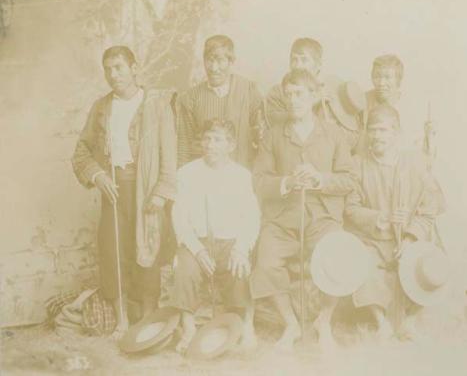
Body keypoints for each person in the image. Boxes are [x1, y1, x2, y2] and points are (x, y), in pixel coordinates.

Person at [72, 46, 177, 338]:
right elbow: (81, 152)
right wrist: (99, 175)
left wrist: (160, 193)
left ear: (135, 67)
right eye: (108, 69)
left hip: (147, 189)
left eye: (119, 67)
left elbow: (169, 154)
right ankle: (122, 319)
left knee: (147, 248)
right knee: (113, 250)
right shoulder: (102, 107)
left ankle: (147, 316)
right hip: (115, 189)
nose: (113, 74)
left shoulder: (157, 105)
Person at [250, 69, 355, 350]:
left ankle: (324, 321)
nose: (293, 100)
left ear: (314, 96)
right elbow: (258, 180)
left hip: (322, 217)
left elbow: (350, 179)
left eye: (300, 94)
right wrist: (286, 182)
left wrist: (321, 179)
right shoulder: (273, 135)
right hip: (282, 219)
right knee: (265, 261)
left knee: (338, 254)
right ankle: (291, 324)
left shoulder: (333, 134)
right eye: (289, 94)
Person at [345, 105, 445, 340]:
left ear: (396, 132)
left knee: (431, 265)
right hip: (373, 239)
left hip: (408, 240)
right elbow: (350, 208)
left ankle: (409, 322)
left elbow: (428, 209)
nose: (377, 136)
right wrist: (381, 217)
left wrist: (410, 238)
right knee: (361, 264)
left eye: (383, 130)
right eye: (372, 130)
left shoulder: (415, 163)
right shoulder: (357, 164)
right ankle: (381, 323)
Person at [170, 119, 261, 353]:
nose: (210, 145)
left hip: (229, 243)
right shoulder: (187, 173)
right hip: (197, 243)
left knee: (240, 270)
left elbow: (251, 217)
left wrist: (241, 249)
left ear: (230, 145)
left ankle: (246, 325)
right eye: (207, 139)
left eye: (217, 140)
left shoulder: (241, 176)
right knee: (185, 269)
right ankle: (188, 327)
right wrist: (197, 250)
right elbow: (179, 218)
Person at [176, 35, 264, 169]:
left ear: (231, 62)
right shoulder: (191, 97)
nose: (214, 68)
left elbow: (263, 138)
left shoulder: (249, 91)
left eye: (220, 61)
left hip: (242, 174)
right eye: (209, 60)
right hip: (203, 175)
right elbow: (184, 146)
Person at [265, 37, 364, 151]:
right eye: (294, 59)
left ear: (318, 65)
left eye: (304, 60)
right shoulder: (278, 91)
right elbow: (274, 122)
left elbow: (351, 135)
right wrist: (310, 103)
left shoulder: (332, 91)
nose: (298, 65)